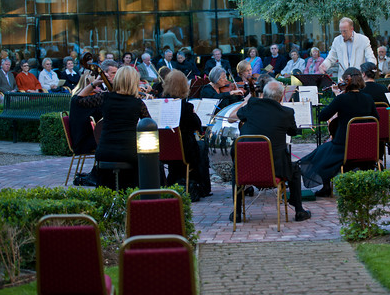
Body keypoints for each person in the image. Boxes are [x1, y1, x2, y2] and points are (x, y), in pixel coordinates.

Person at [229, 80, 311, 222]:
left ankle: (237, 212)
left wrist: (246, 101)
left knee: (235, 169)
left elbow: (231, 117)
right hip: (275, 170)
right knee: (295, 170)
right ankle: (299, 210)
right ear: (282, 96)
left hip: (246, 169)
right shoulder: (286, 112)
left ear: (263, 95)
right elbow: (292, 132)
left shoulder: (252, 105)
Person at [300, 67, 378, 197]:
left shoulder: (342, 99)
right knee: (325, 149)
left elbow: (322, 116)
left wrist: (336, 98)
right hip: (366, 148)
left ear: (345, 81)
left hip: (344, 147)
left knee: (320, 152)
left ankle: (325, 188)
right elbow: (377, 120)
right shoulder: (368, 98)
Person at [76, 66, 151, 190]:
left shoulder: (105, 98)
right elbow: (149, 124)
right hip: (129, 153)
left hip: (105, 151)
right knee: (153, 165)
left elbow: (78, 100)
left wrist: (94, 83)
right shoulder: (138, 103)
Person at [162, 70, 211, 197]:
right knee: (202, 145)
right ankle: (203, 187)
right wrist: (194, 113)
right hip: (185, 151)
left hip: (164, 149)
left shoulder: (161, 104)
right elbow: (198, 126)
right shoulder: (185, 107)